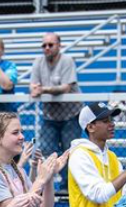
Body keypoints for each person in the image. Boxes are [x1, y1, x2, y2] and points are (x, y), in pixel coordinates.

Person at [30, 32, 83, 190]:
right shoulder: (38, 62)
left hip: (71, 115)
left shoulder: (67, 60)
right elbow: (33, 86)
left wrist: (43, 89)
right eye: (44, 45)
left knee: (70, 152)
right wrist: (37, 89)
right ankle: (45, 187)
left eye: (50, 45)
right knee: (46, 151)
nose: (47, 48)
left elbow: (66, 88)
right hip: (50, 115)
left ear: (59, 45)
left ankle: (68, 188)